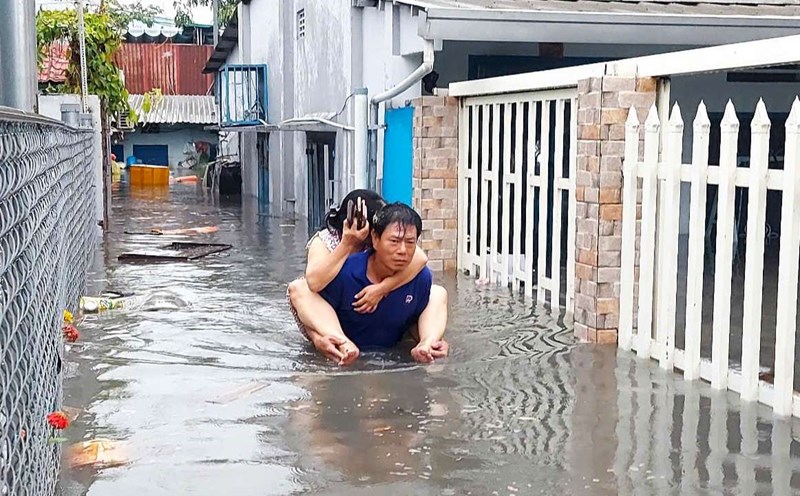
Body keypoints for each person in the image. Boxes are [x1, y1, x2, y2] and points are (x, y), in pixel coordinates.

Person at [288, 190, 443, 365]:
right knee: (300, 288)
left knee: (437, 292)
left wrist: (382, 289)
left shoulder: (394, 246)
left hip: (382, 310)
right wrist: (317, 338)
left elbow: (420, 259)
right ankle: (341, 342)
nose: (401, 249)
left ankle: (427, 344)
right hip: (335, 310)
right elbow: (313, 285)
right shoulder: (326, 241)